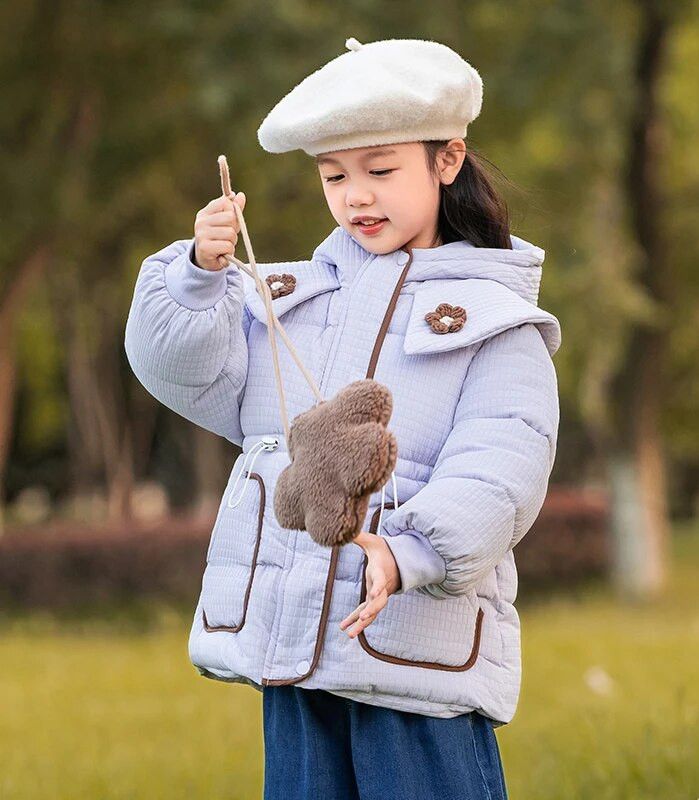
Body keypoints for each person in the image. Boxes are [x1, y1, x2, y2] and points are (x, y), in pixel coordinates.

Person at [124, 35, 561, 800]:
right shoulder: (295, 302)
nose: (357, 196)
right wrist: (200, 279)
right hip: (295, 652)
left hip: (412, 654)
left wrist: (412, 552)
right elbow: (191, 376)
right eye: (334, 176)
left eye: (381, 171)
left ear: (447, 160)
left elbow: (503, 466)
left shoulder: (496, 325)